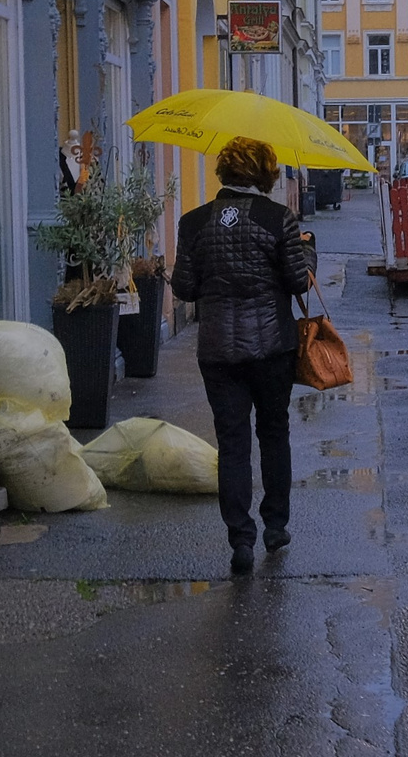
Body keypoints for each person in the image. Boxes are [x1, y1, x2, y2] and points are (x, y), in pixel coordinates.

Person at [170, 138, 314, 575]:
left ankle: (240, 541)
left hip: (218, 351)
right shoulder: (279, 219)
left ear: (224, 172)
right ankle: (275, 526)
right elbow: (298, 282)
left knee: (232, 444)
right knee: (273, 433)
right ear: (267, 174)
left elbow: (183, 288)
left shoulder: (193, 223)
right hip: (272, 348)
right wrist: (307, 248)